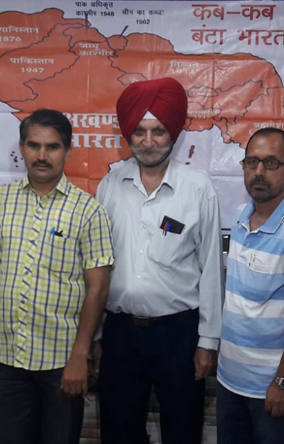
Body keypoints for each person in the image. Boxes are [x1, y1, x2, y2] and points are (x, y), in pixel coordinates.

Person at [0, 109, 114, 444]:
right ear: (22, 148)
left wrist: (80, 356)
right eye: (34, 145)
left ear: (68, 151)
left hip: (62, 364)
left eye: (52, 147)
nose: (42, 155)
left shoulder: (88, 212)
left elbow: (98, 290)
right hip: (8, 361)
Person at [95, 77, 223, 444]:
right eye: (139, 131)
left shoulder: (197, 188)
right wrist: (96, 336)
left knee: (182, 432)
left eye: (158, 131)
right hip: (119, 334)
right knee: (119, 434)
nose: (148, 141)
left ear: (174, 134)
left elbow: (211, 269)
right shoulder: (110, 186)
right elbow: (97, 268)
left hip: (179, 336)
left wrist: (208, 341)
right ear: (128, 134)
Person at [217, 128, 284, 444]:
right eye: (252, 162)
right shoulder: (241, 216)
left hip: (273, 389)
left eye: (271, 162)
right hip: (230, 381)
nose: (259, 171)